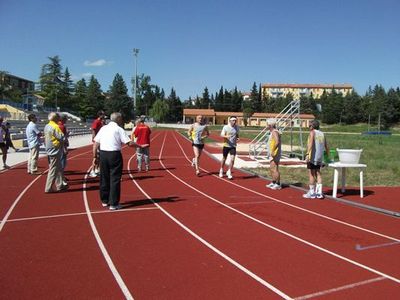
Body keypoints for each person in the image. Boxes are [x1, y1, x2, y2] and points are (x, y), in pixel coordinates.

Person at [93, 112, 144, 210]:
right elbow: (128, 143)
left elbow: (96, 143)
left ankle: (104, 200)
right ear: (119, 119)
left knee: (104, 177)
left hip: (103, 154)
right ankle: (114, 203)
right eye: (121, 118)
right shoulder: (119, 129)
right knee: (115, 179)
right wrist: (139, 146)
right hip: (114, 155)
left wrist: (95, 156)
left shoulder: (103, 128)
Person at [303, 119, 329, 199]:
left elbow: (310, 144)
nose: (308, 127)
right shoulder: (322, 133)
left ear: (313, 126)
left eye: (309, 125)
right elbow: (326, 146)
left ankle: (311, 192)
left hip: (313, 156)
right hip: (320, 157)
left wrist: (307, 153)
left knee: (311, 173)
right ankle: (319, 192)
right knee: (318, 173)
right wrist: (327, 157)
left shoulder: (312, 133)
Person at [44, 112, 67, 193]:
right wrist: (65, 136)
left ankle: (60, 185)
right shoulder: (55, 126)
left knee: (59, 168)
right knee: (53, 169)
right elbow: (61, 137)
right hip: (55, 149)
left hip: (49, 148)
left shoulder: (47, 126)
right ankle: (48, 187)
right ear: (56, 118)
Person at [265, 118, 282, 190]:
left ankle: (278, 184)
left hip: (275, 153)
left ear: (270, 125)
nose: (266, 126)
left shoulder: (275, 132)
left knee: (275, 168)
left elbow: (277, 141)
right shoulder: (272, 132)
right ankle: (273, 181)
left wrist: (273, 150)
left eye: (267, 124)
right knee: (272, 168)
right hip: (272, 153)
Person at [89, 110, 106, 177]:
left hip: (100, 140)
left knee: (99, 156)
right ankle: (92, 170)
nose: (104, 116)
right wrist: (94, 139)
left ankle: (97, 169)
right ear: (100, 115)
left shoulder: (101, 122)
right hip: (97, 141)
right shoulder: (96, 122)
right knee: (96, 156)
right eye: (103, 115)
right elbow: (93, 130)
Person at [58, 114, 69, 184]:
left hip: (58, 146)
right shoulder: (62, 127)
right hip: (61, 146)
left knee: (60, 162)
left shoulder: (57, 125)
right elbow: (63, 138)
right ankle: (61, 178)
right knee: (62, 163)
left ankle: (61, 177)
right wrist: (65, 148)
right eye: (66, 119)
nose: (67, 120)